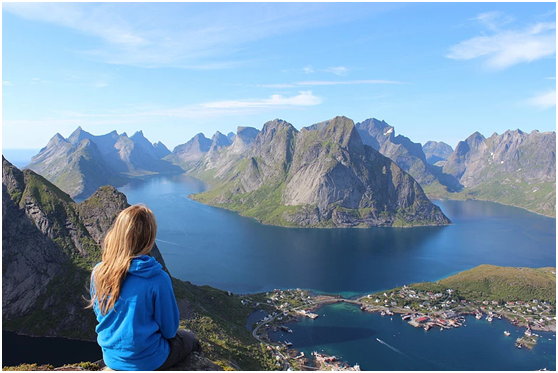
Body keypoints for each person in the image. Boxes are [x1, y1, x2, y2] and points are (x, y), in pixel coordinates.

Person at [88, 204, 201, 371]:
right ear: (149, 238)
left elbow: (101, 314)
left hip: (111, 358)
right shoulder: (157, 279)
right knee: (190, 340)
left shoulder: (99, 272)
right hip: (148, 361)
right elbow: (169, 331)